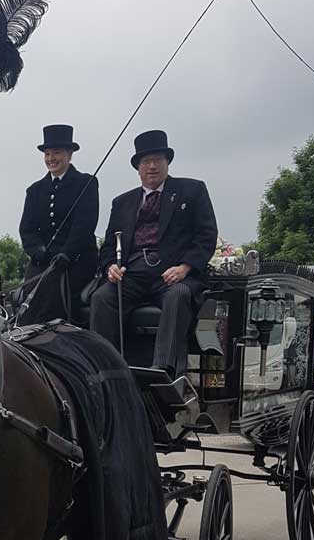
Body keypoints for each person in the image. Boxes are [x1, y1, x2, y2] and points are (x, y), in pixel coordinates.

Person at [90, 129, 218, 375]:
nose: (152, 167)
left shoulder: (192, 191)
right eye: (146, 162)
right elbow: (108, 245)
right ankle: (106, 368)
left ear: (167, 162)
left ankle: (164, 369)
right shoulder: (122, 202)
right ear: (138, 168)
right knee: (102, 298)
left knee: (178, 295)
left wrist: (185, 268)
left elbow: (206, 235)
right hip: (132, 273)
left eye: (157, 160)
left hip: (171, 274)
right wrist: (110, 267)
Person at [18, 124, 99, 323]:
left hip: (76, 259)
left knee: (55, 291)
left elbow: (85, 224)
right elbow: (27, 229)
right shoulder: (35, 190)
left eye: (56, 152)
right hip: (44, 260)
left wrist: (67, 253)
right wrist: (38, 250)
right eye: (47, 153)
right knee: (28, 293)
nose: (51, 158)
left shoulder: (86, 183)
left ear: (69, 155)